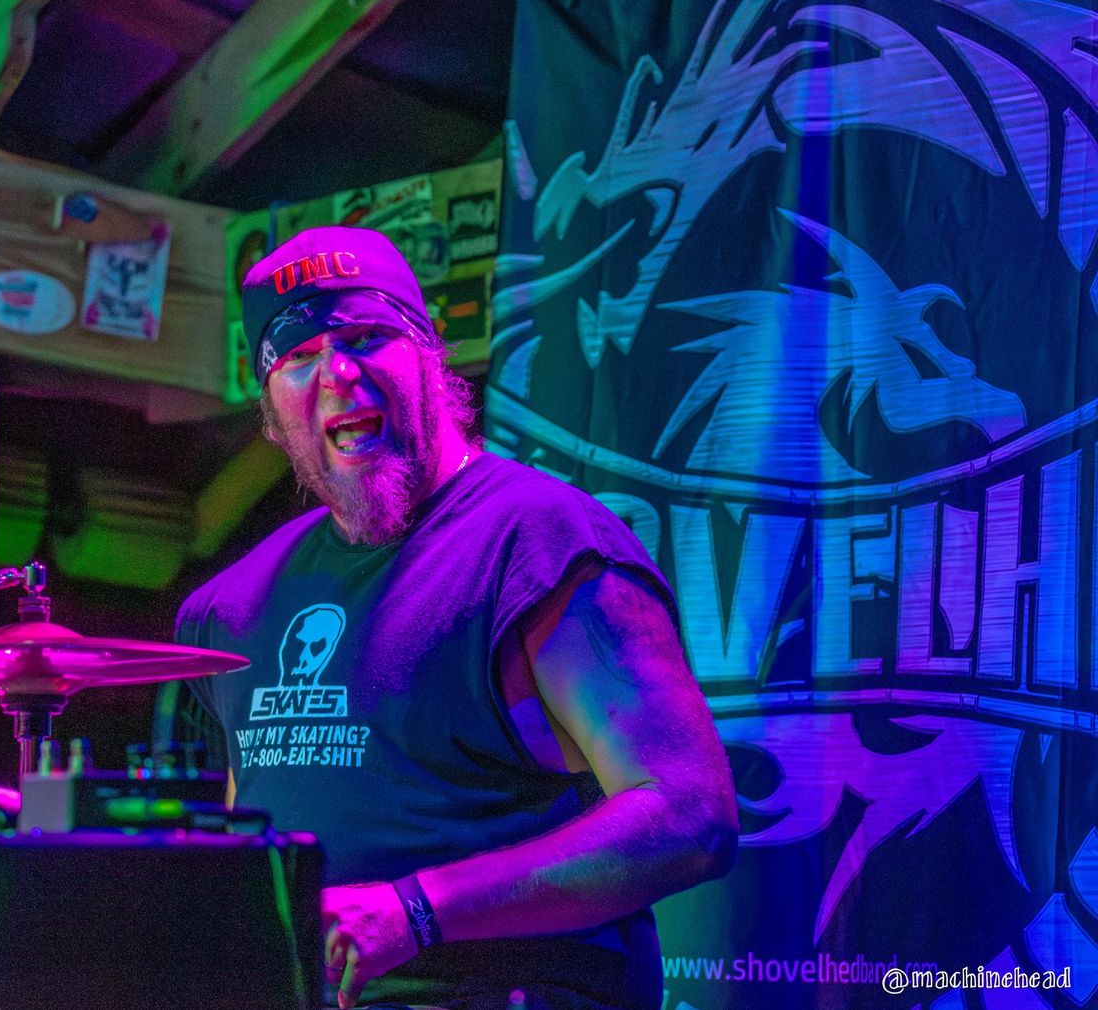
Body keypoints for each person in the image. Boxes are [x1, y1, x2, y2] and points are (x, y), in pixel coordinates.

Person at [173, 225, 738, 1010]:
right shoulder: (232, 608)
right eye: (297, 357)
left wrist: (417, 910)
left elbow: (690, 815)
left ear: (429, 355)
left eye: (365, 337)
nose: (338, 373)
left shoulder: (539, 544)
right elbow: (254, 834)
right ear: (270, 412)